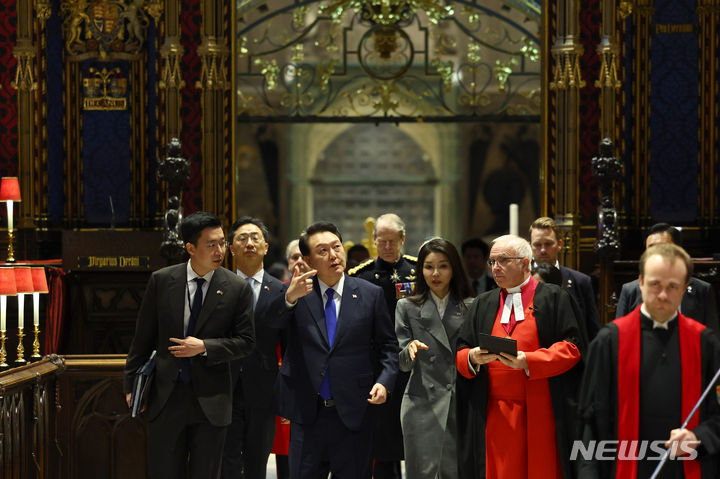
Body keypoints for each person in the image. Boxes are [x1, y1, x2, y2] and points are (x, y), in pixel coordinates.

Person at [124, 211, 255, 479]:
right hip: (166, 397)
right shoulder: (162, 281)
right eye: (211, 244)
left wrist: (205, 346)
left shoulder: (236, 287)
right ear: (191, 248)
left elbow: (246, 342)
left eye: (221, 243)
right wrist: (131, 386)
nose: (220, 251)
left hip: (212, 401)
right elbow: (142, 339)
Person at [268, 222, 399, 478]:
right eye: (323, 250)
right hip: (307, 414)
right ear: (306, 259)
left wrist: (384, 382)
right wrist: (289, 299)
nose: (333, 255)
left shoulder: (369, 294)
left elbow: (388, 347)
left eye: (336, 247)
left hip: (354, 414)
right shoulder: (294, 293)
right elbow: (268, 329)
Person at [578, 243, 720, 478]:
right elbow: (588, 425)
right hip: (623, 466)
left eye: (672, 286)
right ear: (641, 282)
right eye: (655, 285)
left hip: (685, 468)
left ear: (685, 288)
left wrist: (699, 436)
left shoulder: (705, 343)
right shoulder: (608, 342)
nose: (663, 295)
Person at [455, 234, 585, 479]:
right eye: (492, 262)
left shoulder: (554, 297)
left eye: (503, 260)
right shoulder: (483, 303)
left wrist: (530, 361)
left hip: (541, 406)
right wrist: (472, 357)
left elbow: (573, 348)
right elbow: (460, 351)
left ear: (526, 263)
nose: (496, 268)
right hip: (495, 412)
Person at [395, 237, 474, 478]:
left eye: (443, 266)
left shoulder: (471, 306)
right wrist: (409, 350)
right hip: (421, 402)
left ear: (454, 269)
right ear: (420, 270)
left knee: (455, 470)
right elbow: (401, 361)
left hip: (458, 399)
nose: (435, 273)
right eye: (429, 266)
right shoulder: (407, 306)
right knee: (421, 471)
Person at [348, 213, 416, 479]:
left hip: (413, 363)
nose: (387, 247)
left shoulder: (417, 270)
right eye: (381, 241)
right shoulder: (360, 276)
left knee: (410, 437)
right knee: (383, 437)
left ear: (402, 239)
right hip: (377, 365)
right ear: (374, 240)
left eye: (392, 241)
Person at [222, 217, 286, 479]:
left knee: (257, 463)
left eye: (255, 237)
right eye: (242, 238)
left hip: (264, 391)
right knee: (226, 463)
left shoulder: (282, 292)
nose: (249, 243)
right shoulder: (217, 287)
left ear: (266, 247)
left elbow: (289, 346)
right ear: (231, 248)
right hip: (223, 389)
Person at [615, 223, 719, 331]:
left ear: (679, 251)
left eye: (663, 248)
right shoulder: (630, 290)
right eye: (651, 249)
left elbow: (712, 340)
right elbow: (620, 337)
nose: (656, 254)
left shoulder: (702, 290)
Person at [530, 216, 600, 339]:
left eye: (548, 244)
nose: (543, 250)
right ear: (530, 246)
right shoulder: (520, 280)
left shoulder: (581, 281)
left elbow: (592, 330)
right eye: (537, 245)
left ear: (560, 244)